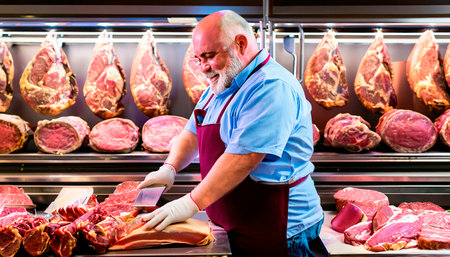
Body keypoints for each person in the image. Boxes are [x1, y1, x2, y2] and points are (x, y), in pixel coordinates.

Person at [138, 10, 324, 257]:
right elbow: (192, 132)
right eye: (198, 58)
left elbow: (243, 158)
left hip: (281, 229)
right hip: (235, 221)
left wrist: (189, 204)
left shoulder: (270, 86)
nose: (204, 68)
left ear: (241, 44)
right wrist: (169, 168)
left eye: (210, 56)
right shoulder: (222, 83)